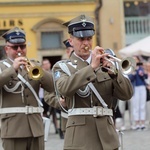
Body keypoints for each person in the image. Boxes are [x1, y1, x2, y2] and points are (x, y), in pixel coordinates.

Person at [52, 14, 133, 150]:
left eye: (89, 38)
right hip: (80, 140)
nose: (86, 43)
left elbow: (127, 95)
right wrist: (92, 68)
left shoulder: (106, 64)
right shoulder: (62, 67)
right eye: (81, 39)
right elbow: (64, 89)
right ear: (71, 41)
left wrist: (114, 74)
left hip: (108, 138)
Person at [0, 27, 54, 150]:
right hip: (13, 129)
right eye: (15, 47)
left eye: (22, 46)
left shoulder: (34, 64)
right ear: (6, 49)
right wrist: (12, 70)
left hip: (36, 128)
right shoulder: (2, 67)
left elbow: (52, 87)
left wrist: (38, 70)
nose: (19, 50)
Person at [128, 56, 148, 130]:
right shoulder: (131, 69)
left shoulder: (141, 67)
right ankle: (137, 123)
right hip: (135, 88)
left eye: (136, 59)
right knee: (136, 106)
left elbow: (145, 77)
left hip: (142, 87)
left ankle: (142, 123)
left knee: (142, 105)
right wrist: (133, 73)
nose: (135, 61)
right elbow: (129, 78)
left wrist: (143, 73)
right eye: (134, 60)